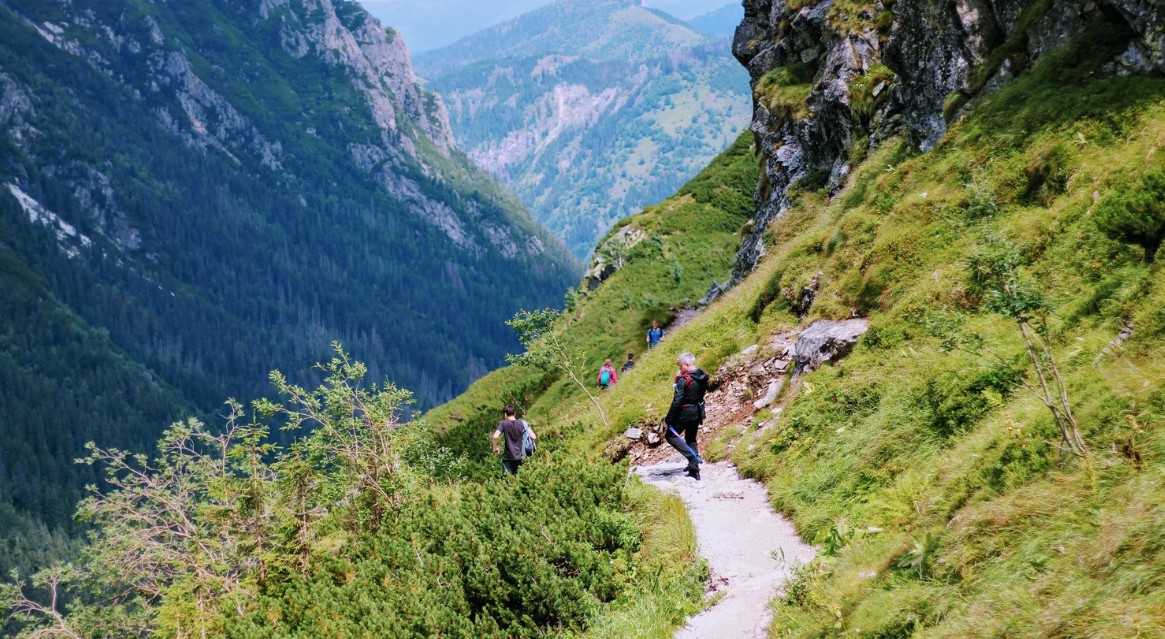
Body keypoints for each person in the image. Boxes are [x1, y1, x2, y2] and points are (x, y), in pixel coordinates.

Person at [662, 352, 708, 480]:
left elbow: (677, 401)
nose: (680, 369)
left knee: (670, 436)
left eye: (680, 366)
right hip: (698, 411)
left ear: (687, 364)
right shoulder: (703, 376)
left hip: (685, 412)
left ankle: (693, 458)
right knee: (691, 439)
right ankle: (694, 471)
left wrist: (668, 419)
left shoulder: (684, 379)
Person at [493, 405, 535, 475]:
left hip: (508, 458)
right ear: (515, 413)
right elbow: (533, 436)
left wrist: (495, 448)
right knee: (521, 481)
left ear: (505, 414)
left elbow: (495, 436)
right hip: (521, 457)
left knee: (508, 482)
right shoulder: (522, 423)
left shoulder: (504, 423)